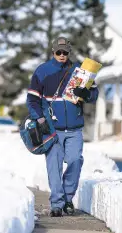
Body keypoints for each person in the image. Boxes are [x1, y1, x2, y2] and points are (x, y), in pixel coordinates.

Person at [26, 36, 99, 217]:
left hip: (74, 128)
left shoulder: (80, 71)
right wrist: (40, 119)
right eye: (58, 52)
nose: (61, 55)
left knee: (75, 161)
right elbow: (32, 100)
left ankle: (67, 199)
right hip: (52, 129)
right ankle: (57, 204)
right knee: (54, 166)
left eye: (65, 52)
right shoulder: (43, 71)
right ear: (53, 52)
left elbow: (94, 94)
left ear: (69, 52)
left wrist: (86, 93)